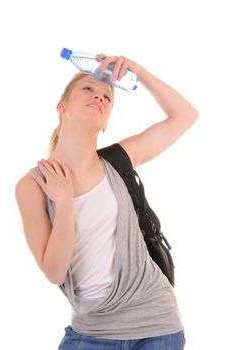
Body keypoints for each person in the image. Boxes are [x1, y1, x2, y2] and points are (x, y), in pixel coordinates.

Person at [15, 53, 199, 350]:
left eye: (107, 96)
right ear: (62, 107)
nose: (99, 96)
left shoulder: (118, 161)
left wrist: (138, 71)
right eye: (88, 89)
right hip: (91, 331)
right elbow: (54, 271)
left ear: (106, 123)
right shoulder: (32, 185)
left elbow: (185, 116)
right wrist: (63, 204)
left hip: (157, 324)